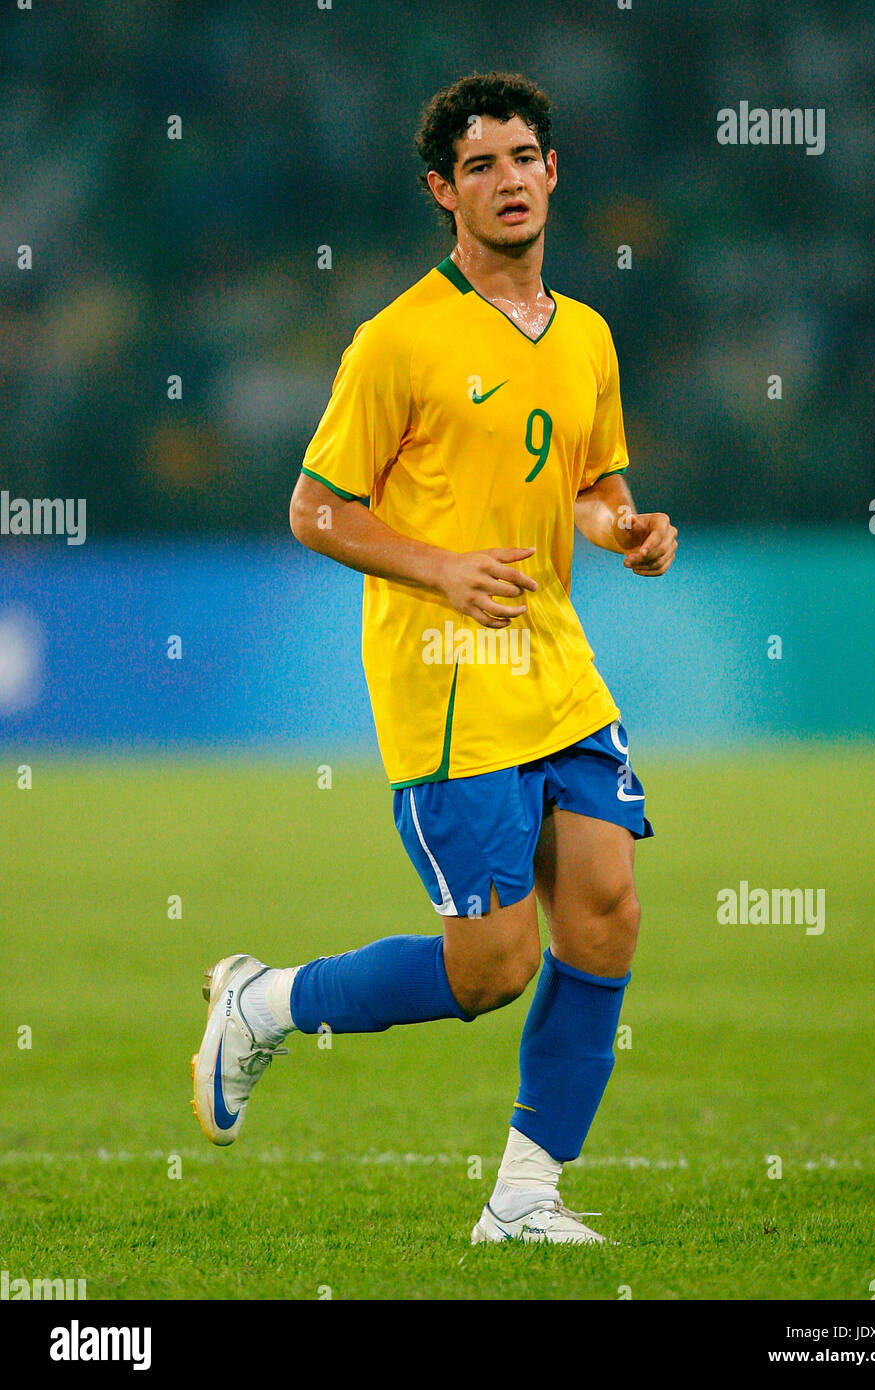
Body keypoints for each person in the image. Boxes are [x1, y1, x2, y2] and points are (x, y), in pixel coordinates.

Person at [191, 71, 677, 1244]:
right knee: (491, 969)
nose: (507, 180)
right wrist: (439, 567)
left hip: (555, 669)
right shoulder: (397, 340)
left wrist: (626, 531)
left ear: (552, 173)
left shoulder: (587, 335)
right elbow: (314, 509)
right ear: (441, 192)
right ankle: (264, 1004)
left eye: (523, 158)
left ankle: (523, 1196)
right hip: (448, 688)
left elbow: (589, 484)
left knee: (604, 914)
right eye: (479, 166)